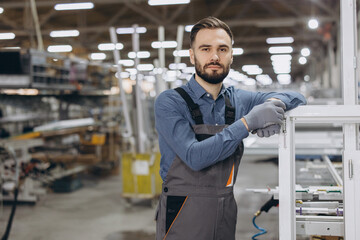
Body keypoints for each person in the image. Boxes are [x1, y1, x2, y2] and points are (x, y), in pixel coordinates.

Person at [154, 16, 306, 240]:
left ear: (231, 55)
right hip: (183, 213)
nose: (214, 56)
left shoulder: (237, 99)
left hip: (225, 211)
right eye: (205, 49)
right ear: (192, 54)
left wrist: (272, 107)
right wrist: (248, 123)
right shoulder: (170, 102)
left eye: (222, 49)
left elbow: (298, 98)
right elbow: (194, 157)